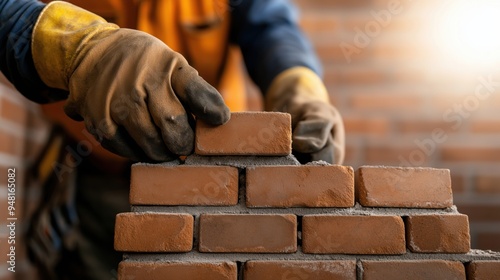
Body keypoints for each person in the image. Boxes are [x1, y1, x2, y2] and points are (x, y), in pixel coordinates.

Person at [1, 0, 345, 279]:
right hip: (97, 173)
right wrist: (80, 50)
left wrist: (298, 86)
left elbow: (271, 26)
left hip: (216, 188)